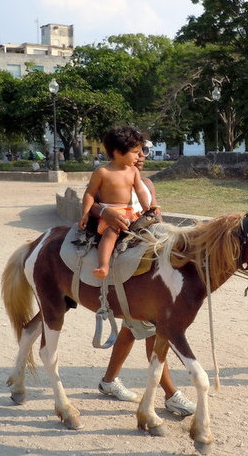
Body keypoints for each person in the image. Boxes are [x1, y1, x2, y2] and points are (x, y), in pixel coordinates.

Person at [91, 139, 196, 416]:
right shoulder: (107, 175)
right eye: (136, 151)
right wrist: (105, 211)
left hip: (147, 259)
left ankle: (109, 380)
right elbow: (90, 204)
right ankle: (171, 394)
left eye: (144, 151)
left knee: (132, 327)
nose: (141, 156)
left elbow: (155, 215)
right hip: (126, 255)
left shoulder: (146, 183)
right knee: (153, 325)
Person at [79, 126, 150, 279]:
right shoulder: (102, 172)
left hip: (131, 212)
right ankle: (103, 265)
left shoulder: (133, 171)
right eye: (135, 152)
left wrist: (148, 208)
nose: (139, 156)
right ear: (118, 152)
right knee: (111, 233)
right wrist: (84, 214)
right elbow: (90, 193)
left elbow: (141, 191)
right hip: (111, 213)